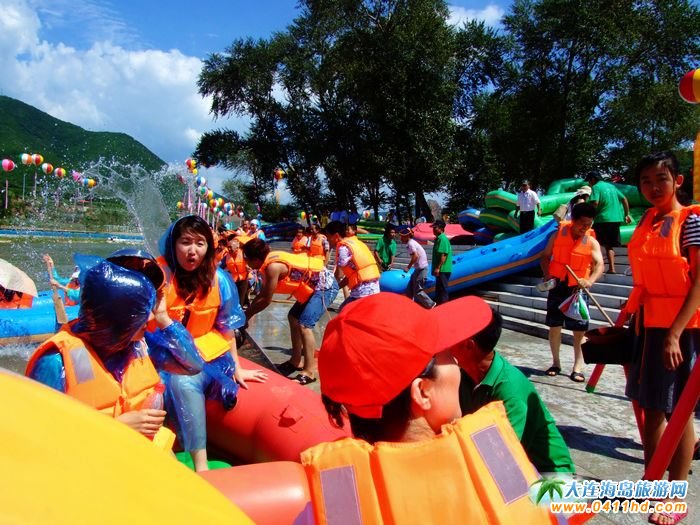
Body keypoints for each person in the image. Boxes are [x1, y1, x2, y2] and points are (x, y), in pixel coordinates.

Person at [311, 292, 555, 523]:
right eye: (447, 354)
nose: (456, 363)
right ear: (423, 392)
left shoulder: (326, 496)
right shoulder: (507, 476)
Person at [25, 258, 203, 444]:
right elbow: (39, 438)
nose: (150, 317)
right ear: (116, 319)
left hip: (140, 452)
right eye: (141, 311)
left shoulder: (139, 347)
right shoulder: (58, 362)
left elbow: (193, 365)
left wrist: (164, 318)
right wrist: (115, 426)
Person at [620, 152, 699, 525]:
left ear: (678, 181)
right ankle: (652, 483)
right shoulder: (648, 221)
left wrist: (674, 334)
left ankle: (675, 493)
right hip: (649, 325)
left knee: (678, 413)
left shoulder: (691, 221)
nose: (653, 187)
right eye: (646, 181)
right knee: (651, 410)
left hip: (681, 330)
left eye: (661, 179)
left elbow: (698, 283)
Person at [157, 215, 268, 471]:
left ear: (209, 247)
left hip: (205, 356)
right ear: (173, 245)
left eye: (200, 243)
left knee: (184, 381)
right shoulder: (158, 278)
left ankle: (201, 465)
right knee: (165, 384)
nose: (192, 251)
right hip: (161, 353)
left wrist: (237, 367)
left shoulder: (219, 280)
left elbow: (227, 329)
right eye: (185, 242)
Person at [453, 308, 575, 473]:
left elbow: (501, 455)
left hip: (547, 473)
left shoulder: (509, 389)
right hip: (511, 467)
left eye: (450, 338)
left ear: (468, 346)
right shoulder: (464, 375)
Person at [242, 238, 339, 385]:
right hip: (313, 288)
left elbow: (266, 299)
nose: (245, 263)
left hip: (326, 287)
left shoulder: (273, 267)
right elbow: (262, 295)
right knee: (293, 317)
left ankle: (309, 372)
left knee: (304, 325)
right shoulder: (269, 263)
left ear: (255, 259)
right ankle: (295, 361)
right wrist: (246, 314)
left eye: (246, 259)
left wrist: (247, 316)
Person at [540, 202, 604, 383]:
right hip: (557, 286)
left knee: (579, 330)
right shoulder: (557, 235)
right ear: (573, 220)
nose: (585, 228)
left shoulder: (591, 241)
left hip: (578, 290)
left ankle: (577, 368)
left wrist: (589, 281)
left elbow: (600, 265)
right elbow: (545, 257)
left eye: (589, 224)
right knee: (554, 326)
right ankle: (556, 363)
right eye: (582, 224)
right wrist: (547, 274)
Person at [325, 220, 380, 310]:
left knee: (345, 313)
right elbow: (352, 274)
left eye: (328, 237)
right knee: (344, 310)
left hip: (362, 292)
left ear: (336, 236)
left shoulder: (343, 248)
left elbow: (339, 275)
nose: (327, 240)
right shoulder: (356, 243)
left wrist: (328, 287)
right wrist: (336, 287)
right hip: (374, 288)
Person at [586, 172, 632, 274]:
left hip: (602, 219)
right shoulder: (611, 186)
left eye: (589, 181)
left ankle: (595, 268)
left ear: (593, 179)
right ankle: (612, 268)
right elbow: (624, 198)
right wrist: (626, 214)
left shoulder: (596, 187)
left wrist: (590, 216)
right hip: (616, 218)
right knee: (609, 245)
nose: (589, 184)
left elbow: (595, 202)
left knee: (595, 243)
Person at [400, 228, 434, 309]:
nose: (401, 238)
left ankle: (431, 304)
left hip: (421, 269)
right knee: (410, 288)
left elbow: (415, 256)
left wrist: (408, 267)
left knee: (418, 290)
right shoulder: (411, 242)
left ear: (407, 236)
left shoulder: (410, 244)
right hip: (419, 268)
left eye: (402, 237)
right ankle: (409, 305)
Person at [220, 232, 251, 308]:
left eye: (230, 247)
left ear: (237, 248)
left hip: (244, 278)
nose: (229, 249)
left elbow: (251, 264)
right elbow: (220, 266)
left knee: (241, 297)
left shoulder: (244, 254)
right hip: (233, 280)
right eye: (228, 247)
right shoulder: (226, 256)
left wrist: (249, 267)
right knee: (234, 297)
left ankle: (241, 310)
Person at [431, 219, 453, 305]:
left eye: (435, 228)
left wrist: (438, 268)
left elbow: (443, 255)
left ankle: (444, 307)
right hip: (441, 269)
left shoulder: (442, 239)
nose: (433, 229)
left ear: (440, 228)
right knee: (439, 290)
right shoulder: (439, 239)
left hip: (443, 269)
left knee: (442, 290)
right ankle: (439, 306)